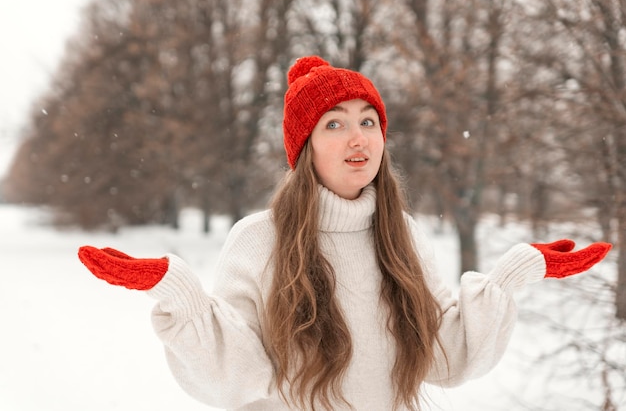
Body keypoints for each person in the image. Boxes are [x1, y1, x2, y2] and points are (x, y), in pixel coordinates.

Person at [78, 55, 612, 411]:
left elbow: (442, 354)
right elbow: (234, 375)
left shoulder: (400, 234)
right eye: (333, 123)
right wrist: (181, 295)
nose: (358, 138)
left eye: (368, 121)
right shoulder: (259, 240)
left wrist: (512, 273)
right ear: (303, 147)